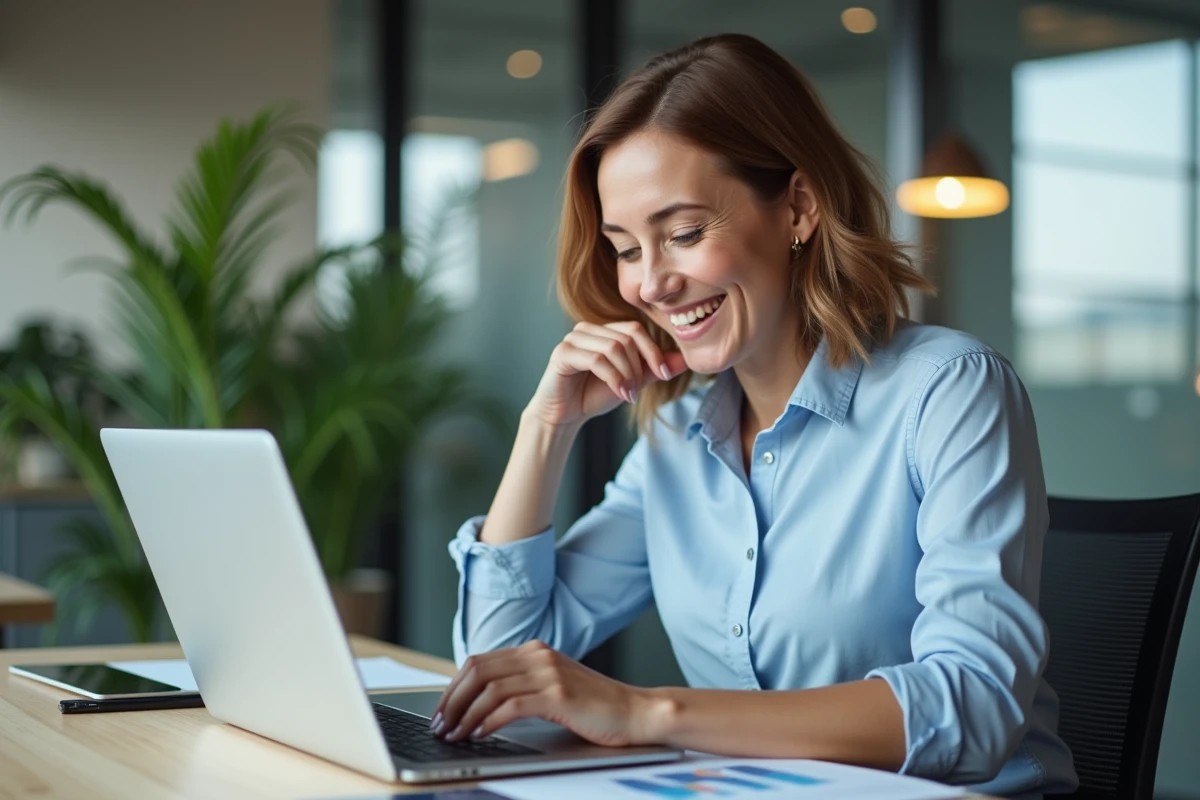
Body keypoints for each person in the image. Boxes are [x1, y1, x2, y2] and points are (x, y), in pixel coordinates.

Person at [432, 33, 1078, 799]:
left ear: (798, 207)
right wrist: (547, 428)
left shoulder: (949, 392)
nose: (650, 284)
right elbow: (497, 666)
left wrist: (647, 712)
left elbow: (971, 712)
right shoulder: (677, 436)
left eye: (683, 234)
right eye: (624, 248)